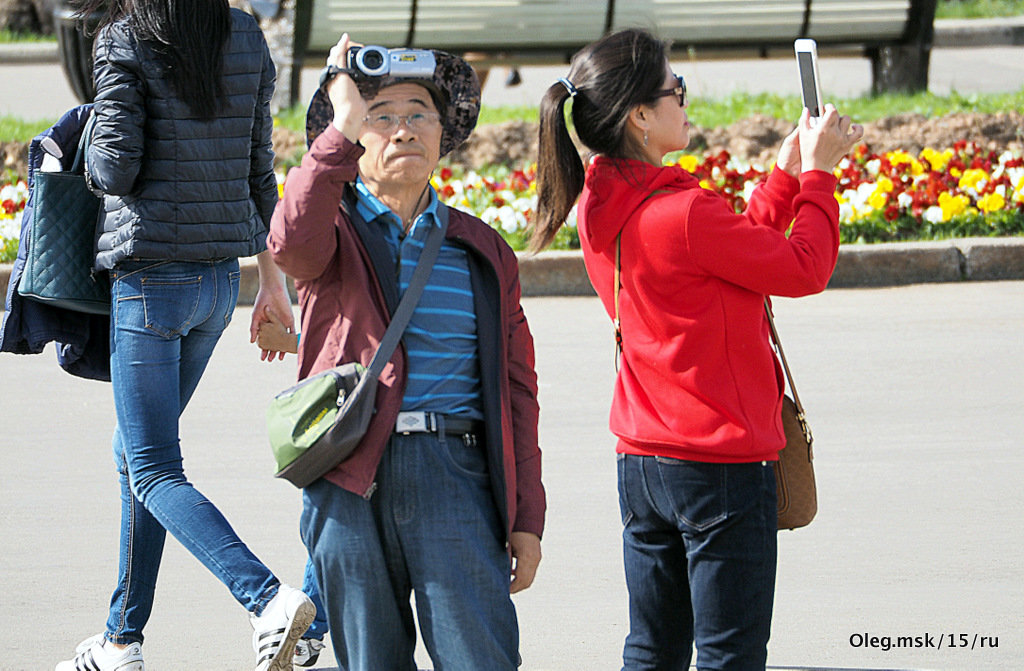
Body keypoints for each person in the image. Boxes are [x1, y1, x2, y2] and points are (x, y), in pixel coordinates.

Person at [533, 28, 863, 671]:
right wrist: (821, 176)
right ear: (639, 115)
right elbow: (803, 268)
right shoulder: (681, 211)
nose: (685, 100)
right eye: (674, 90)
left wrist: (785, 175)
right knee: (728, 654)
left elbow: (733, 255)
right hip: (719, 465)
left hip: (645, 459)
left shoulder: (600, 197)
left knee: (652, 648)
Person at [266, 33, 546, 671]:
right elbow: (289, 244)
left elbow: (518, 390)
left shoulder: (481, 248)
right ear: (352, 139)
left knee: (482, 658)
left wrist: (527, 514)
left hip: (458, 473)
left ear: (442, 134)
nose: (402, 130)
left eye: (419, 114)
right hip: (348, 477)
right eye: (380, 116)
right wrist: (338, 123)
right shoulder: (331, 233)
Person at [56, 1, 315, 670]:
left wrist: (78, 145)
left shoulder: (125, 35)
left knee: (152, 467)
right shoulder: (245, 32)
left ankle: (266, 600)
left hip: (149, 282)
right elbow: (260, 171)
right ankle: (120, 639)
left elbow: (113, 167)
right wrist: (273, 282)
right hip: (216, 287)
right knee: (135, 456)